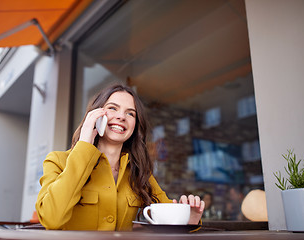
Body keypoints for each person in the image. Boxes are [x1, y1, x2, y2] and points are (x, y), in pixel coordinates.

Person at [35, 84, 205, 231]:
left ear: (135, 125)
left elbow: (168, 218)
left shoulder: (139, 171)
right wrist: (84, 144)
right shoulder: (57, 161)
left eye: (130, 113)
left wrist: (189, 219)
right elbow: (51, 218)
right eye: (112, 108)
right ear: (95, 115)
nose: (121, 117)